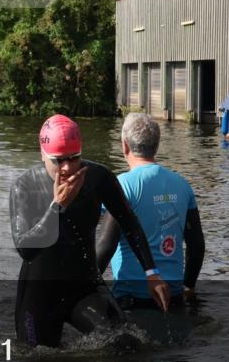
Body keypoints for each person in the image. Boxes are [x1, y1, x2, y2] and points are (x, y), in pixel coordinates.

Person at [10, 114, 169, 348]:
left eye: (74, 158)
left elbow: (129, 222)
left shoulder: (98, 177)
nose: (67, 167)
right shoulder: (25, 185)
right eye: (58, 160)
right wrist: (57, 206)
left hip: (84, 285)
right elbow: (26, 250)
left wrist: (151, 273)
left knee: (127, 343)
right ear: (43, 154)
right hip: (39, 293)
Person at [96, 113, 205, 309]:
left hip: (131, 297)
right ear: (157, 145)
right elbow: (196, 245)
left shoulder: (121, 186)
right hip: (173, 296)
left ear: (125, 146)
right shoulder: (182, 185)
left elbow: (106, 245)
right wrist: (188, 287)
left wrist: (85, 287)